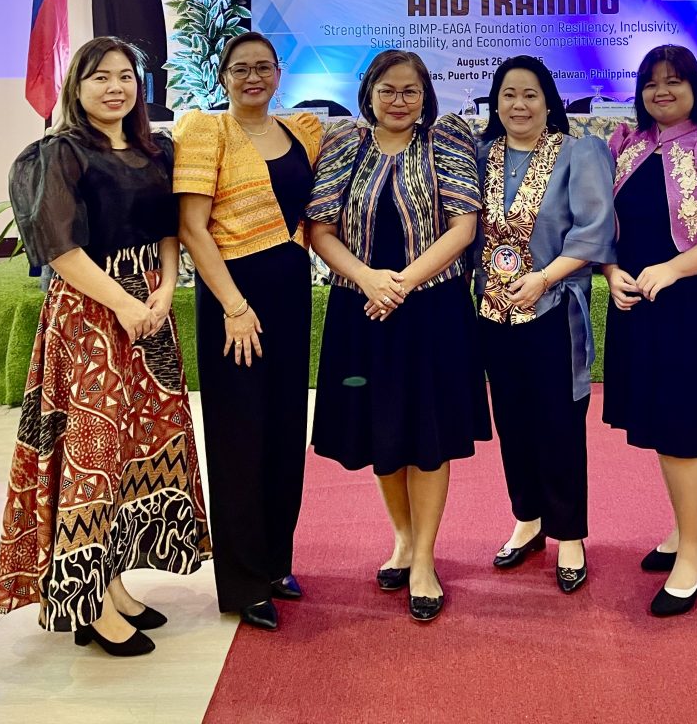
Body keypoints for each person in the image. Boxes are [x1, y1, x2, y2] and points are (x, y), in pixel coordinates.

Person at [0, 37, 210, 657]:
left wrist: (164, 288)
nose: (115, 87)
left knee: (134, 449)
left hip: (148, 311)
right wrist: (124, 303)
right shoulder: (57, 154)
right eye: (100, 77)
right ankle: (87, 603)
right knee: (91, 453)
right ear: (77, 87)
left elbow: (169, 230)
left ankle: (111, 582)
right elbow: (59, 249)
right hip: (90, 315)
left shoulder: (155, 150)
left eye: (125, 76)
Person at [307, 49, 489, 623]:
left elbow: (464, 227)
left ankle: (426, 561)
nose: (398, 101)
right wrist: (368, 279)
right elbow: (320, 228)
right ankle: (404, 542)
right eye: (387, 89)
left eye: (410, 91)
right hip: (361, 309)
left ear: (425, 95)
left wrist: (400, 284)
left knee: (428, 435)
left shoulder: (446, 142)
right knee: (381, 429)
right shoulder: (344, 144)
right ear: (368, 92)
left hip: (431, 311)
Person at [174, 31, 323, 631]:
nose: (253, 77)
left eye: (263, 67)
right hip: (232, 297)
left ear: (279, 73)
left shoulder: (302, 133)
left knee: (285, 430)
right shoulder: (205, 131)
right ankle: (242, 581)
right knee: (239, 436)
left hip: (289, 292)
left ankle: (276, 562)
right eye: (240, 68)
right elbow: (192, 227)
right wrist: (235, 306)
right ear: (223, 76)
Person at [603, 44, 697, 618]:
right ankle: (686, 528)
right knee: (661, 429)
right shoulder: (628, 146)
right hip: (638, 304)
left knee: (683, 434)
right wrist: (611, 271)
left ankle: (693, 553)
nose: (661, 91)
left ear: (696, 87)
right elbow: (604, 226)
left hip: (690, 308)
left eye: (674, 81)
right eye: (651, 82)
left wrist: (672, 269)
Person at [475, 57, 616, 594]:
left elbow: (594, 229)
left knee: (559, 424)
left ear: (548, 100)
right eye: (508, 94)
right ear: (495, 103)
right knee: (512, 421)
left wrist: (543, 279)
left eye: (530, 94)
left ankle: (569, 533)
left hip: (553, 307)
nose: (519, 105)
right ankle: (528, 519)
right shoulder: (481, 156)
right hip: (493, 312)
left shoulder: (579, 152)